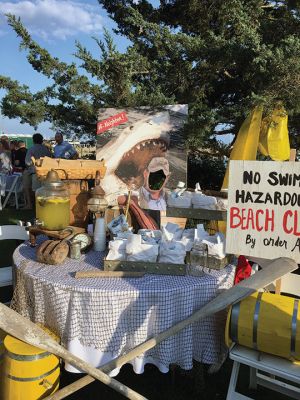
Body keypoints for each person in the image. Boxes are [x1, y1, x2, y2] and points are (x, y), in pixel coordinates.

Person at [23, 133, 51, 209]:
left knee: (33, 189)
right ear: (42, 140)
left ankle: (31, 205)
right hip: (45, 172)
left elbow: (28, 162)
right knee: (43, 190)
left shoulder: (31, 149)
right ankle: (42, 206)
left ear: (33, 140)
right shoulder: (46, 150)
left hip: (35, 171)